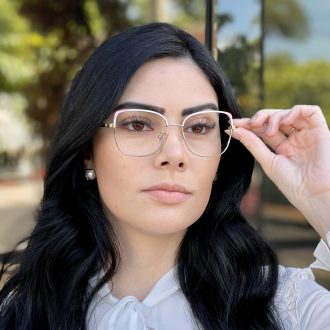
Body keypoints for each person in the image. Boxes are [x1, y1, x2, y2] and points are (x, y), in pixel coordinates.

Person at [0, 22, 329, 330]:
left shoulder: (286, 308)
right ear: (88, 148)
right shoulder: (21, 312)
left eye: (199, 127)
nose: (174, 154)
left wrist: (323, 198)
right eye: (138, 124)